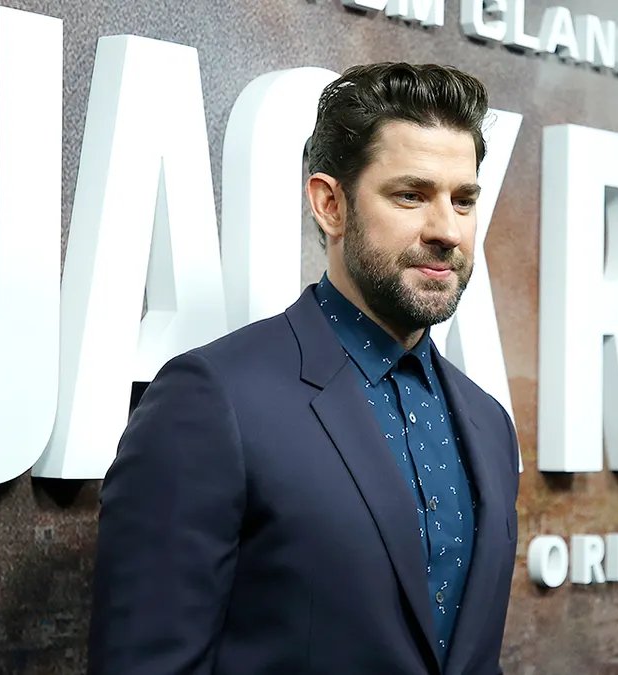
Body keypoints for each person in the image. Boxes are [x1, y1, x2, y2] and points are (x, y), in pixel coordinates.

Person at [88, 62, 521, 675]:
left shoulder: (489, 425)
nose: (447, 230)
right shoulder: (213, 402)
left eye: (464, 200)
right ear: (329, 204)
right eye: (411, 195)